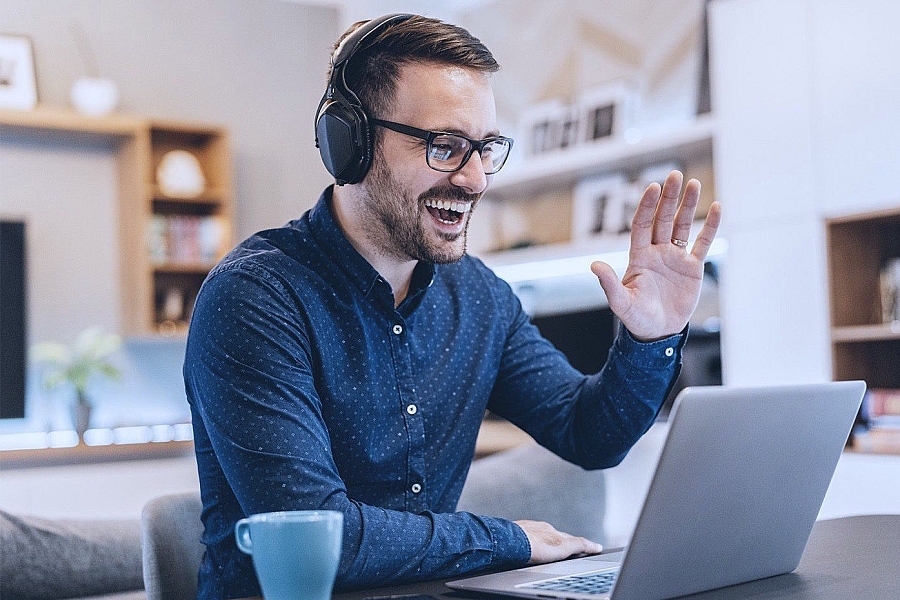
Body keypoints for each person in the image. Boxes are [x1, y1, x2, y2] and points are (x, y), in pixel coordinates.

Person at [184, 13, 721, 598]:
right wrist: (507, 540)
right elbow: (319, 532)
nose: (473, 179)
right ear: (350, 143)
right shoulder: (254, 299)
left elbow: (588, 435)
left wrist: (651, 338)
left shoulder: (480, 296)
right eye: (444, 147)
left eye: (485, 148)